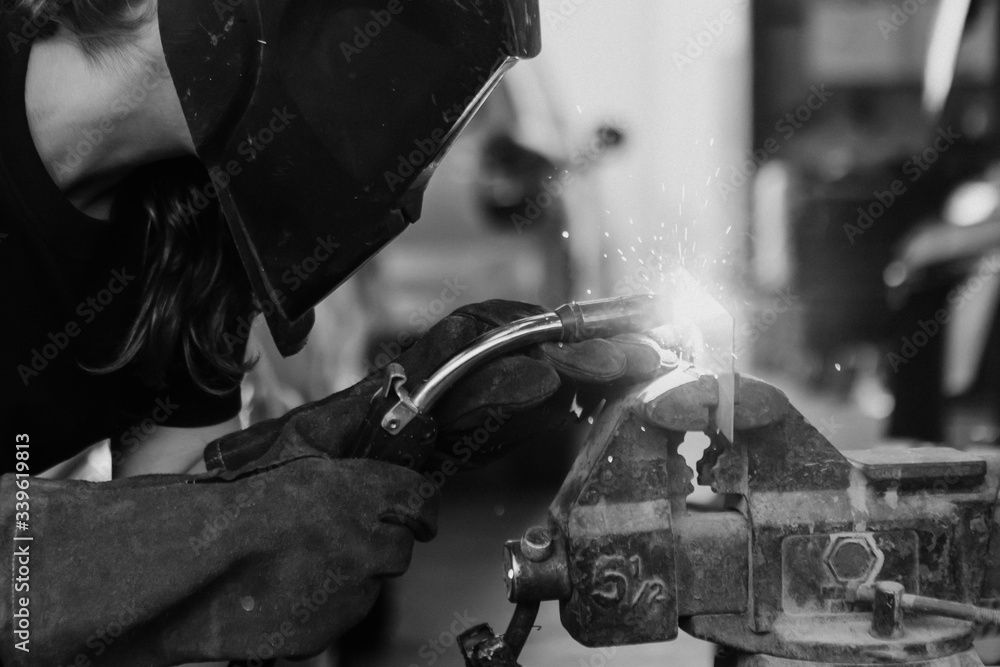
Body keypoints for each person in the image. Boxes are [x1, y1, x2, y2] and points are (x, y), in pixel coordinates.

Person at [0, 0, 662, 663]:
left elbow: (167, 502)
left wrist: (372, 432)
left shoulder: (191, 240)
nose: (408, 189)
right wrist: (208, 541)